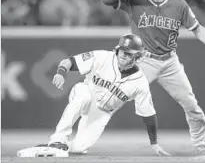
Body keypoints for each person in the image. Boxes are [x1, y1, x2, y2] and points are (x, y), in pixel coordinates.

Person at [102, 0, 205, 155]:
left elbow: (198, 30)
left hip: (169, 63)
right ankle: (80, 137)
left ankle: (199, 144)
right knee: (111, 99)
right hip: (144, 61)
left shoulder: (179, 4)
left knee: (191, 105)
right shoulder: (135, 1)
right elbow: (107, 0)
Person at [17, 34, 170, 157]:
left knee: (78, 149)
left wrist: (154, 142)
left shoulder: (140, 82)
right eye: (122, 50)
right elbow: (68, 61)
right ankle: (57, 140)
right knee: (83, 98)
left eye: (128, 53)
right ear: (117, 50)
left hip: (102, 112)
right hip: (86, 91)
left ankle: (58, 148)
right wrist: (61, 73)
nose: (123, 55)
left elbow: (148, 114)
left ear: (137, 57)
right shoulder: (102, 57)